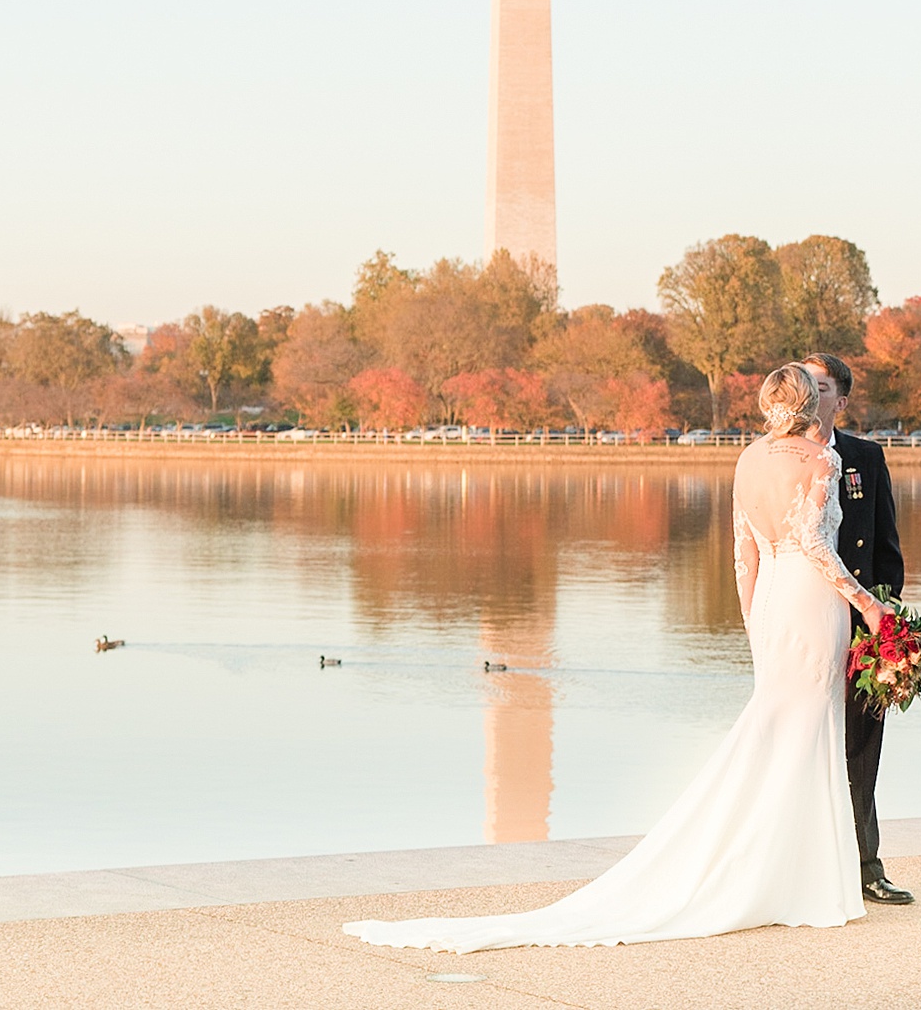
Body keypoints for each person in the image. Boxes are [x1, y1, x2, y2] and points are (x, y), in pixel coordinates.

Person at [343, 363, 886, 953]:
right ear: (812, 403)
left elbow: (743, 550)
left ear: (766, 405)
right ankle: (796, 877)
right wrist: (868, 604)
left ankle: (780, 869)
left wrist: (751, 619)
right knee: (809, 731)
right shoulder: (820, 461)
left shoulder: (748, 459)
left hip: (772, 608)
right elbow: (813, 545)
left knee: (781, 729)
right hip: (812, 603)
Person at [801, 351, 912, 905]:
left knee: (861, 747)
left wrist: (887, 631)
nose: (808, 391)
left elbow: (887, 548)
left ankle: (866, 866)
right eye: (801, 380)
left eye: (819, 386)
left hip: (860, 624)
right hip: (800, 624)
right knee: (798, 742)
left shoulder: (865, 457)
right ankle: (800, 865)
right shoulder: (774, 460)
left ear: (840, 402)